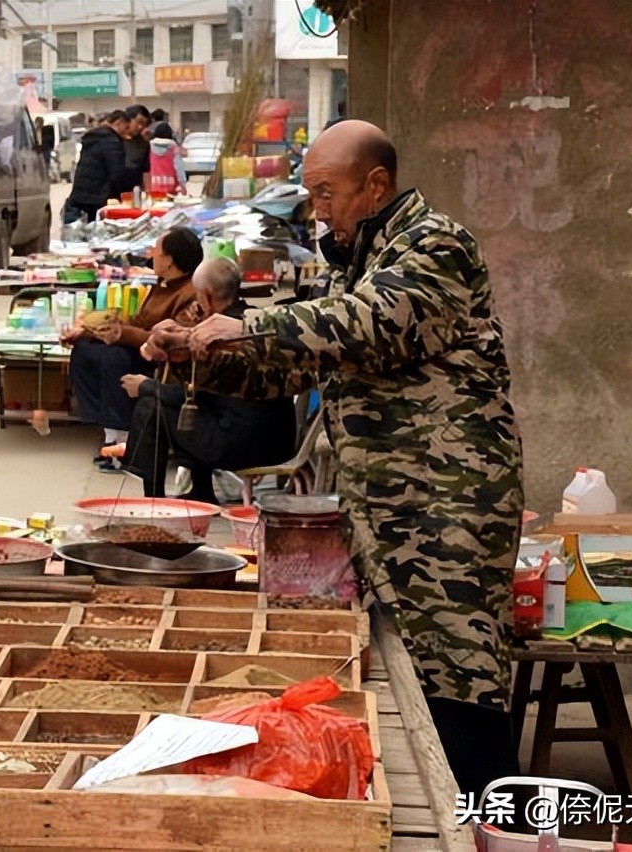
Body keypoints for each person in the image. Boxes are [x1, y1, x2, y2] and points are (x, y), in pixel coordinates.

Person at [147, 120, 523, 798]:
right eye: (312, 196)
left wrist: (249, 324)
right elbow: (293, 363)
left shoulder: (436, 246)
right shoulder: (361, 263)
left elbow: (366, 322)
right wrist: (199, 352)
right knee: (408, 681)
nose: (319, 211)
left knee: (459, 684)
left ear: (375, 185)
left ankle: (494, 829)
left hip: (444, 514)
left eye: (329, 194)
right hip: (384, 513)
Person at [122, 258, 296, 503]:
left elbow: (193, 397)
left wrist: (144, 386)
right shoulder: (250, 321)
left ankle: (154, 499)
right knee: (201, 414)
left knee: (151, 407)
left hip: (243, 444)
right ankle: (201, 491)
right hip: (280, 441)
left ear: (206, 295)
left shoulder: (216, 338)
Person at [64, 227, 202, 469]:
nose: (151, 255)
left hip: (164, 356)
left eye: (156, 251)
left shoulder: (191, 293)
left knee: (114, 358)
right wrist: (89, 331)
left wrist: (120, 333)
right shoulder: (163, 284)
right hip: (140, 347)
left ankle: (125, 441)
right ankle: (110, 433)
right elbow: (139, 322)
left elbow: (171, 339)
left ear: (169, 260)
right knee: (85, 349)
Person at [64, 110, 130, 224]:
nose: (127, 132)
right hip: (98, 197)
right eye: (126, 127)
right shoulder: (111, 141)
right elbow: (117, 173)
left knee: (85, 230)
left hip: (80, 194)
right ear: (119, 123)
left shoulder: (92, 137)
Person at [146, 122, 187, 197]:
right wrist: (182, 185)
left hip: (152, 187)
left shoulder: (148, 146)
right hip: (171, 189)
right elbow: (178, 168)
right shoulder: (174, 148)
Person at [121, 104, 152, 189]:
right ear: (128, 119)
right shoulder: (115, 140)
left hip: (136, 191)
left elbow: (145, 171)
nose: (140, 127)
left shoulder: (144, 144)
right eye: (139, 122)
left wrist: (148, 192)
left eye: (144, 124)